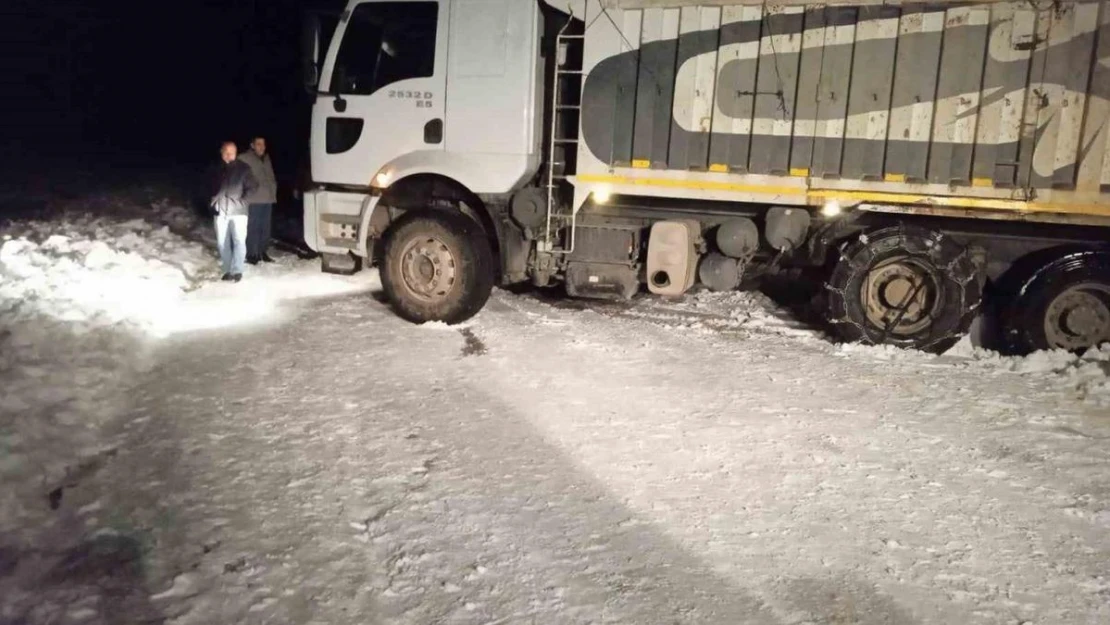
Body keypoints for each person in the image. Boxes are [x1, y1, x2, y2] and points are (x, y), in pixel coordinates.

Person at [209, 141, 256, 282]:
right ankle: (227, 270)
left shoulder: (244, 168)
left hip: (239, 211)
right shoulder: (215, 168)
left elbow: (253, 186)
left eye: (232, 152)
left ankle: (237, 270)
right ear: (221, 152)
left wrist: (243, 201)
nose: (229, 155)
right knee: (222, 242)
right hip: (220, 211)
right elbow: (205, 186)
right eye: (226, 152)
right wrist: (211, 201)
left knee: (239, 241)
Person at [238, 135, 277, 264]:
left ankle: (262, 252)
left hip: (268, 198)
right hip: (253, 199)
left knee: (265, 227)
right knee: (253, 227)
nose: (262, 147)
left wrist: (274, 188)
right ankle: (251, 254)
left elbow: (270, 176)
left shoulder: (266, 158)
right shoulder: (244, 158)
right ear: (252, 145)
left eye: (263, 144)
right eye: (259, 144)